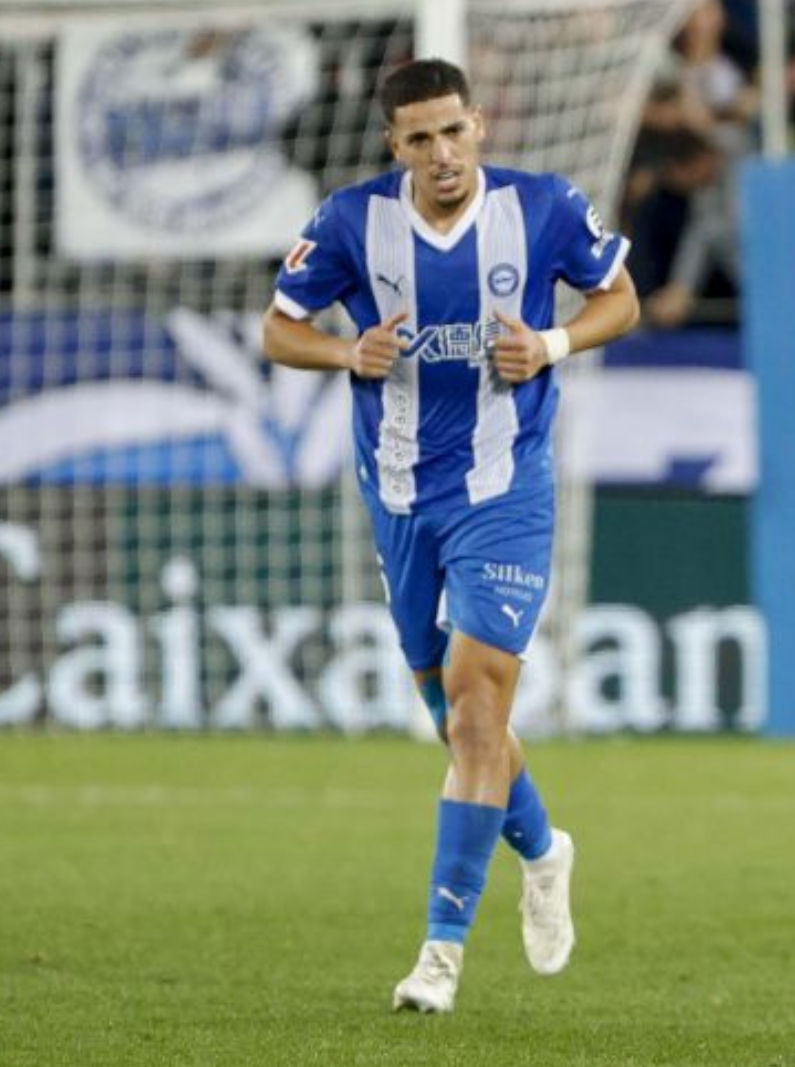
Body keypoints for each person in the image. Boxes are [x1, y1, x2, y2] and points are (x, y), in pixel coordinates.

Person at [261, 59, 640, 1011]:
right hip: (397, 494)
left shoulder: (544, 206)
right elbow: (278, 329)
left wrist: (552, 344)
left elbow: (621, 300)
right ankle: (545, 851)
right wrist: (345, 350)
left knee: (477, 709)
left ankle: (440, 955)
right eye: (420, 139)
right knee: (454, 718)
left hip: (506, 490)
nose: (442, 156)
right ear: (396, 145)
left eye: (454, 133)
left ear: (479, 125)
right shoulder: (352, 221)